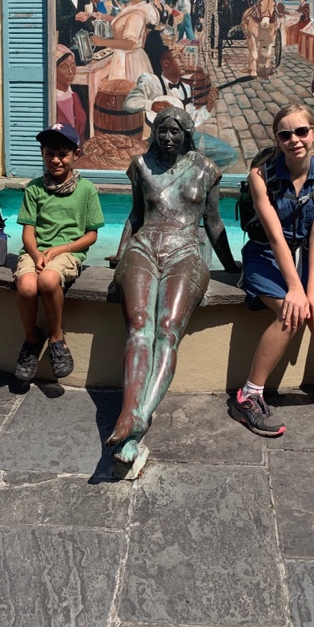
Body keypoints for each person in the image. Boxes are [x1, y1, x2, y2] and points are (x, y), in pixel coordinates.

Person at [108, 107, 239, 464]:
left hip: (186, 251)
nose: (167, 137)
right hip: (144, 247)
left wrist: (230, 266)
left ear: (187, 134)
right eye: (161, 131)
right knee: (139, 326)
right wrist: (120, 255)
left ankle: (135, 420)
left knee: (167, 328)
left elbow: (213, 222)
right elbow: (136, 215)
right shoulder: (140, 166)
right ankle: (131, 415)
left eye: (174, 132)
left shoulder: (207, 170)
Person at [228, 106, 314, 436]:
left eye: (301, 132)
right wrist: (295, 290)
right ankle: (248, 396)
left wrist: (313, 289)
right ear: (277, 139)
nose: (294, 140)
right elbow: (274, 238)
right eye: (285, 134)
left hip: (308, 256)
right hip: (266, 256)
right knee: (291, 313)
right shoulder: (261, 177)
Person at [13, 123, 105, 383]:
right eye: (49, 154)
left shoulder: (86, 190)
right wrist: (35, 255)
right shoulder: (34, 188)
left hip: (67, 252)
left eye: (63, 154)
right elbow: (28, 232)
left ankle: (56, 337)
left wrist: (60, 250)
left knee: (48, 280)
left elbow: (91, 235)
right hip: (36, 252)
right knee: (26, 286)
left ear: (76, 154)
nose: (56, 160)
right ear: (42, 154)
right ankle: (32, 339)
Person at [122, 49, 238, 170]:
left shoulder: (186, 88)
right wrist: (150, 105)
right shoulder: (151, 82)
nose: (183, 62)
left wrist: (209, 105)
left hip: (184, 138)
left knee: (229, 155)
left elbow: (192, 120)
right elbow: (128, 103)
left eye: (183, 58)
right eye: (178, 58)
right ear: (166, 63)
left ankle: (189, 171)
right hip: (159, 139)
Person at [91, 0, 156, 82]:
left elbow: (130, 43)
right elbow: (122, 23)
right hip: (123, 57)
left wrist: (102, 42)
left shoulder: (137, 14)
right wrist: (103, 16)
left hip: (130, 62)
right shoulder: (132, 7)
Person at [55, 44, 88, 143]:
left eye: (73, 66)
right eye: (64, 67)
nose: (71, 71)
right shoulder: (51, 102)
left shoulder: (75, 97)